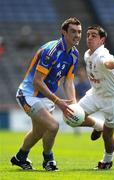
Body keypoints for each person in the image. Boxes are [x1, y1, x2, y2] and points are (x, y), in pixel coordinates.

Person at [10, 17, 83, 171]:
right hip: (29, 94)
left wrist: (73, 103)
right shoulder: (51, 51)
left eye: (79, 32)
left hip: (46, 97)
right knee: (53, 126)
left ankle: (20, 157)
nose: (77, 35)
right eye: (73, 31)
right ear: (64, 32)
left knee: (38, 132)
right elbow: (37, 81)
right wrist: (58, 102)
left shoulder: (74, 55)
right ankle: (48, 160)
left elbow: (68, 81)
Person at [78, 25, 114, 170]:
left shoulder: (102, 54)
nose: (89, 38)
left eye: (94, 35)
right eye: (88, 35)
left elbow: (107, 62)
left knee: (108, 136)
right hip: (96, 94)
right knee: (71, 117)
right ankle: (98, 125)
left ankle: (107, 160)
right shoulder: (88, 54)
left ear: (102, 40)